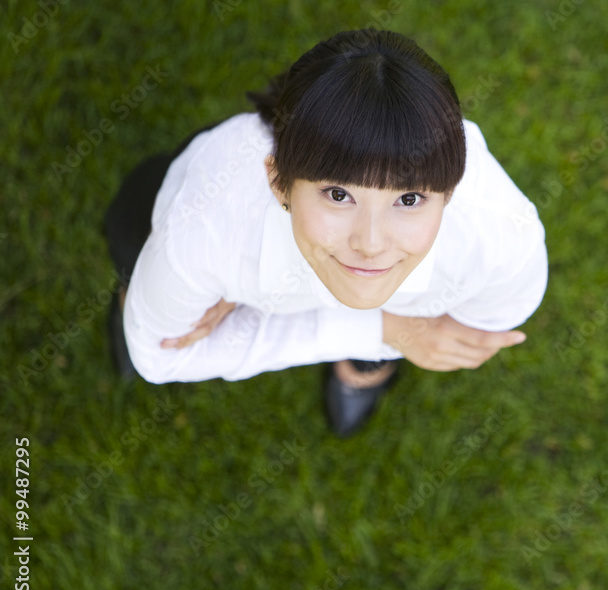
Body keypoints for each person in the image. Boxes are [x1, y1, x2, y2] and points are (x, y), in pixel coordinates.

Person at [105, 29, 548, 437]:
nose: (371, 243)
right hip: (184, 208)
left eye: (409, 200)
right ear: (279, 182)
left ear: (450, 194)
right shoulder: (204, 233)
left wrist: (377, 336)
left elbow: (480, 326)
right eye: (338, 194)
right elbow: (159, 356)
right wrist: (391, 330)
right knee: (131, 241)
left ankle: (364, 367)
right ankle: (135, 291)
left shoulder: (504, 242)